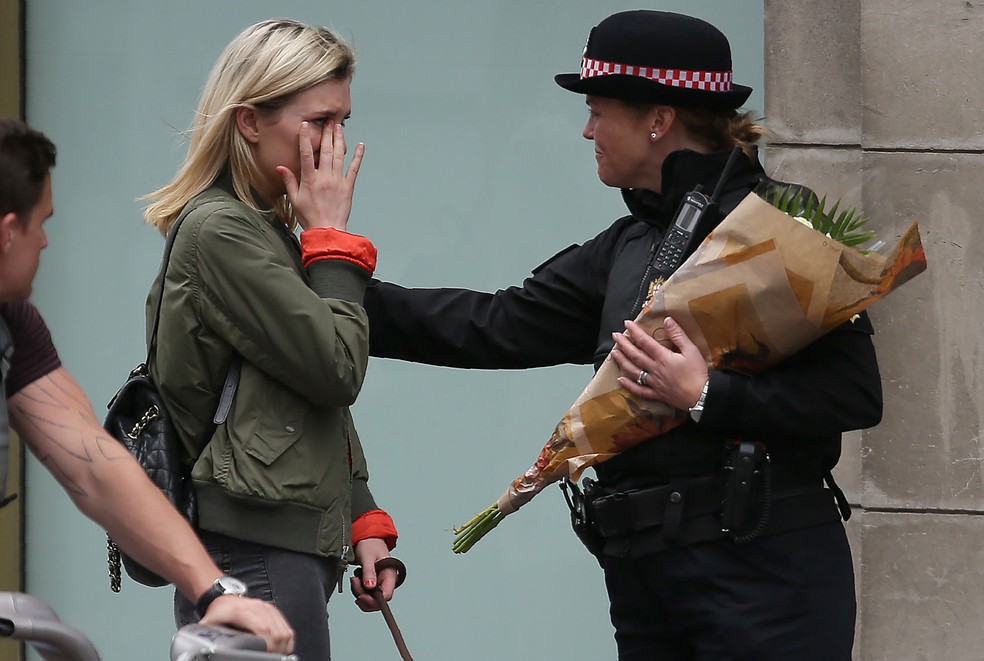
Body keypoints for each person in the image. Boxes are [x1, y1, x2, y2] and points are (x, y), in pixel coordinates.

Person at [364, 10, 882, 661]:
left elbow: (855, 395)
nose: (586, 129)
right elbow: (494, 324)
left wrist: (704, 393)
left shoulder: (780, 225)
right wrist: (330, 292)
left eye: (599, 110)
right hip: (645, 578)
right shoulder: (629, 243)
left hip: (763, 576)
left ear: (658, 119)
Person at [141, 18, 402, 660]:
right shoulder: (222, 232)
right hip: (251, 552)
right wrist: (333, 242)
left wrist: (361, 514)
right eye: (318, 121)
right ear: (250, 121)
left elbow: (298, 398)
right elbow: (336, 367)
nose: (335, 142)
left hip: (279, 546)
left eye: (343, 120)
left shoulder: (265, 229)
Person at [0, 119, 295, 652]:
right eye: (40, 224)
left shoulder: (13, 327)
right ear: (5, 234)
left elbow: (95, 462)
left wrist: (214, 592)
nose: (45, 241)